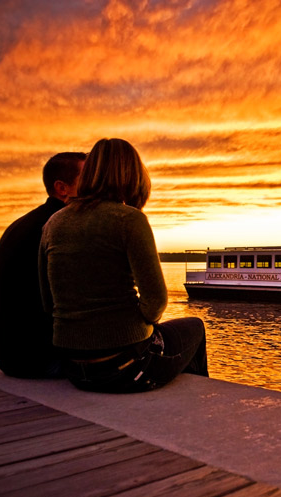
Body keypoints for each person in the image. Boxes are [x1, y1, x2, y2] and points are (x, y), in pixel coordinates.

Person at [38, 138, 208, 392]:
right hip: (124, 368)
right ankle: (197, 414)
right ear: (133, 175)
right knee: (195, 328)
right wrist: (135, 326)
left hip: (73, 366)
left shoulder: (53, 223)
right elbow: (156, 301)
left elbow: (47, 302)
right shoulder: (129, 219)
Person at [0, 152, 86, 378]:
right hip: (42, 359)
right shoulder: (61, 227)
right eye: (88, 177)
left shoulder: (27, 222)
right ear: (62, 188)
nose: (97, 183)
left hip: (11, 357)